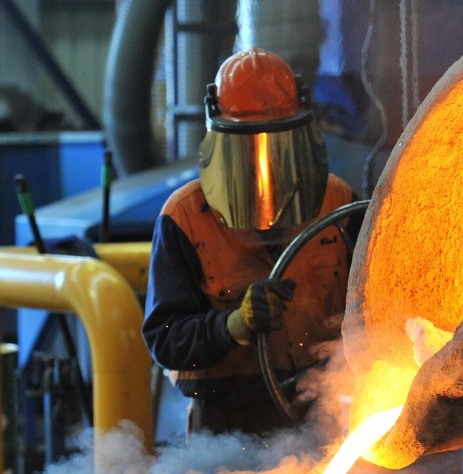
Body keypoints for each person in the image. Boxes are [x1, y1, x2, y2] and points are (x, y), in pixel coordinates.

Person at [143, 48, 357, 437]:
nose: (265, 165)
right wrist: (232, 326)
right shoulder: (185, 218)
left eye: (280, 147)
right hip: (228, 423)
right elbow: (166, 340)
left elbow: (379, 306)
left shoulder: (337, 203)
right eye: (247, 150)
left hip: (323, 408)